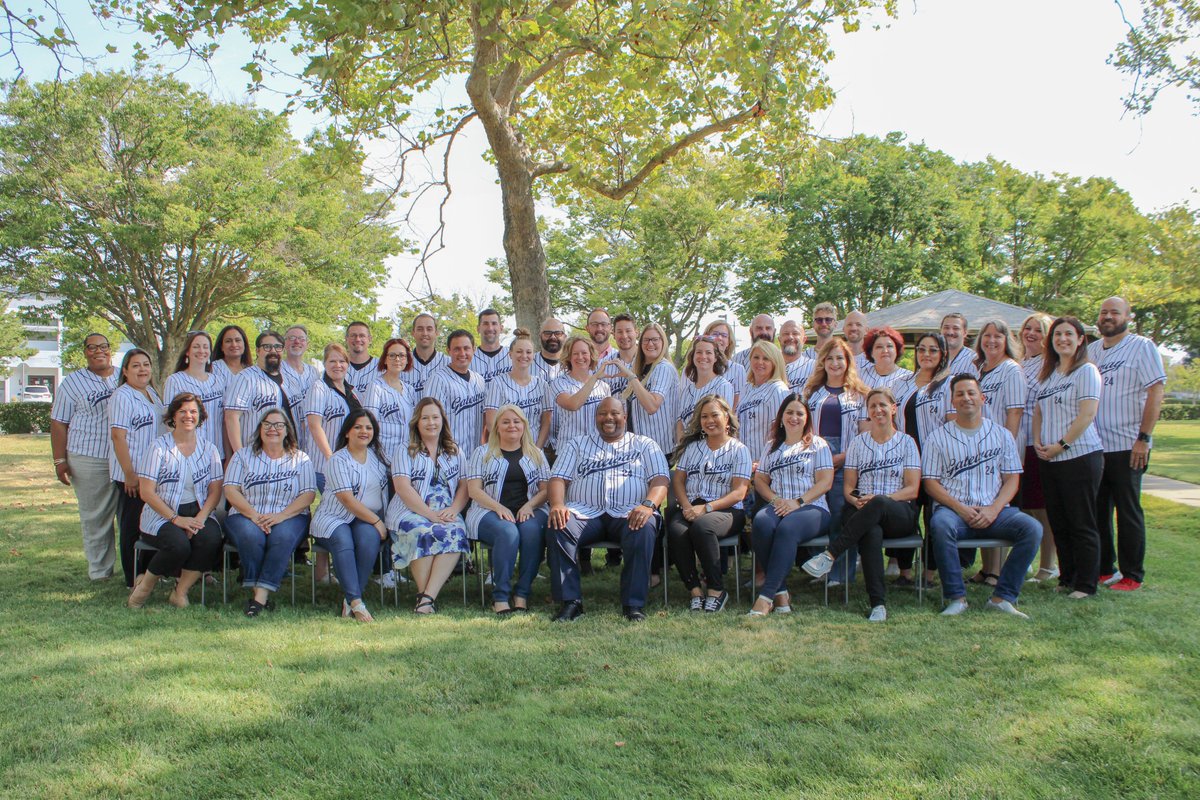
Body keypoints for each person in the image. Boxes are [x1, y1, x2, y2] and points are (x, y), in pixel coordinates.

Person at [923, 375, 1042, 617]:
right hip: (954, 512)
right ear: (952, 401)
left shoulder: (1001, 434)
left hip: (995, 510)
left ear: (982, 398)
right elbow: (931, 483)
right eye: (960, 394)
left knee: (1032, 529)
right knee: (939, 524)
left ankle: (1002, 597)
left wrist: (994, 509)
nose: (966, 398)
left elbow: (1012, 480)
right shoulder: (937, 437)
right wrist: (960, 509)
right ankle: (956, 598)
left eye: (971, 393)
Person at [802, 388, 920, 622]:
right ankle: (878, 604)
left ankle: (831, 554)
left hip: (898, 513)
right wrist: (857, 500)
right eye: (873, 406)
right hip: (862, 511)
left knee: (876, 505)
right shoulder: (858, 444)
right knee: (871, 532)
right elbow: (848, 489)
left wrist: (878, 500)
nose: (878, 410)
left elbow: (912, 489)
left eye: (882, 405)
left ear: (893, 409)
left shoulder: (907, 443)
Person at [548, 396, 669, 622]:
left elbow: (660, 479)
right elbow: (558, 478)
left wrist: (648, 505)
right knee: (559, 525)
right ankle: (570, 602)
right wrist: (557, 504)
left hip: (629, 512)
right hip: (584, 512)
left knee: (644, 527)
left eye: (614, 413)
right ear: (596, 418)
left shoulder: (644, 444)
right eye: (602, 413)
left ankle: (633, 605)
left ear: (625, 416)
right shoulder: (576, 444)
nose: (608, 418)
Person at [1089, 296, 1166, 592]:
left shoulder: (1142, 347)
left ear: (1127, 317)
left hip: (1127, 444)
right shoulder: (1093, 350)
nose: (1108, 317)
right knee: (1098, 510)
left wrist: (1143, 439)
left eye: (1114, 312)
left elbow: (1155, 393)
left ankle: (1132, 573)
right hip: (1096, 446)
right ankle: (1104, 569)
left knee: (1128, 510)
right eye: (1104, 312)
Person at [126, 393, 224, 609]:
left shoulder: (210, 449)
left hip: (198, 510)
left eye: (193, 412)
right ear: (173, 416)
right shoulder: (158, 447)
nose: (188, 416)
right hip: (162, 514)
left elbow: (215, 490)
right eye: (182, 411)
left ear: (200, 416)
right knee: (178, 545)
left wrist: (200, 518)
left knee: (210, 539)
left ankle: (180, 591)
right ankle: (144, 588)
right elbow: (147, 492)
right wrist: (175, 519)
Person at [1033, 316, 1104, 598]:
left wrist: (1061, 444)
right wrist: (1039, 442)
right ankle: (1067, 577)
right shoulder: (1049, 374)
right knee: (1059, 522)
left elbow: (1087, 414)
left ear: (1080, 339)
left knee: (1081, 522)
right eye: (1057, 335)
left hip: (1080, 456)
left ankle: (1086, 583)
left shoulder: (1086, 371)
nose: (1062, 339)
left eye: (1068, 334)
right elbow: (1039, 411)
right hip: (1050, 459)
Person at [222, 409, 317, 617]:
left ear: (287, 431)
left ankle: (259, 596)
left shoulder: (300, 459)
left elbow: (308, 495)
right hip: (246, 514)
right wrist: (254, 515)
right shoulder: (242, 456)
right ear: (259, 429)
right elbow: (230, 489)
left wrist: (281, 516)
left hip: (289, 515)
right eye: (267, 424)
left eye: (278, 425)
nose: (272, 429)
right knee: (251, 535)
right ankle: (261, 592)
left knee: (281, 537)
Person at [749, 394, 834, 616]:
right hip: (779, 504)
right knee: (761, 523)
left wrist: (798, 502)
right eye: (789, 412)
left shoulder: (818, 444)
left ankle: (766, 597)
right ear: (781, 416)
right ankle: (781, 594)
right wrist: (776, 500)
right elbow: (760, 480)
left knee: (787, 529)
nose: (794, 417)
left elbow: (825, 482)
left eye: (799, 413)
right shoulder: (771, 446)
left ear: (807, 418)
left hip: (812, 507)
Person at [668, 396, 752, 612]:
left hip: (727, 510)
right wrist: (686, 506)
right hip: (692, 505)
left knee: (703, 527)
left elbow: (739, 492)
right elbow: (678, 479)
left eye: (715, 415)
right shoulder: (693, 448)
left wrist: (706, 508)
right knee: (676, 530)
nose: (709, 420)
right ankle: (695, 591)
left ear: (727, 417)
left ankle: (716, 590)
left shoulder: (739, 449)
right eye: (704, 416)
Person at [387, 398, 469, 614]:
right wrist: (429, 514)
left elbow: (464, 486)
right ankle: (426, 599)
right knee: (421, 532)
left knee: (456, 532)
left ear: (442, 420)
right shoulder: (405, 450)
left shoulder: (454, 451)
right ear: (417, 422)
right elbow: (402, 488)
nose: (431, 422)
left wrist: (454, 509)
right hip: (411, 509)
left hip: (446, 509)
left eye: (435, 417)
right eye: (425, 418)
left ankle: (426, 598)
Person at [466, 405, 550, 614]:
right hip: (488, 510)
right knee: (508, 531)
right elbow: (474, 491)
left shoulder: (536, 453)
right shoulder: (482, 453)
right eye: (505, 422)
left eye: (516, 421)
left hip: (530, 509)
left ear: (524, 426)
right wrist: (498, 507)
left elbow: (546, 490)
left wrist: (529, 505)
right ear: (497, 428)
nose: (511, 425)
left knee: (531, 531)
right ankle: (500, 596)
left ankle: (522, 593)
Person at [51, 332, 120, 581]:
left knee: (132, 517)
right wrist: (60, 460)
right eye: (92, 347)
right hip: (90, 457)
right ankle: (100, 572)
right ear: (85, 352)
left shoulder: (125, 375)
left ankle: (137, 572)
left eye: (103, 346)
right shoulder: (72, 383)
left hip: (125, 458)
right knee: (96, 518)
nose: (98, 351)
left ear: (110, 349)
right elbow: (59, 422)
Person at [310, 409, 391, 621]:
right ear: (347, 432)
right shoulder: (337, 460)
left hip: (362, 519)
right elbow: (347, 499)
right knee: (343, 539)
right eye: (358, 427)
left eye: (368, 427)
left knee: (369, 538)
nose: (363, 431)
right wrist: (376, 521)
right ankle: (357, 601)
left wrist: (378, 522)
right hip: (334, 517)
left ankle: (350, 601)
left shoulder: (378, 458)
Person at [801, 338, 870, 585]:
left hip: (846, 459)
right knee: (818, 513)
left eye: (840, 357)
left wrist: (842, 457)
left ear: (848, 361)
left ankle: (841, 574)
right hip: (815, 459)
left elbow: (864, 434)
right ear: (823, 362)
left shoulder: (860, 394)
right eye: (829, 358)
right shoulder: (812, 393)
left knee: (842, 515)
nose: (834, 363)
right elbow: (804, 429)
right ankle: (818, 568)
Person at [890, 332, 954, 585]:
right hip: (906, 460)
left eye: (933, 350)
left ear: (943, 355)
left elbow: (951, 424)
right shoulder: (902, 383)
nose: (926, 355)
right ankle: (905, 571)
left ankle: (929, 573)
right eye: (922, 349)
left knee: (934, 518)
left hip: (937, 461)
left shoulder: (949, 383)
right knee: (905, 515)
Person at [968, 318, 1028, 585]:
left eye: (998, 336)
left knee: (999, 505)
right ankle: (986, 568)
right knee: (983, 501)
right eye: (987, 336)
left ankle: (996, 570)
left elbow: (1014, 412)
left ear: (1007, 341)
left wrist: (1007, 449)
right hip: (981, 449)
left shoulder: (1011, 369)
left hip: (1003, 447)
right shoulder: (980, 369)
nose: (991, 341)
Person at [109, 348, 164, 588]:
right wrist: (129, 475)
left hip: (151, 474)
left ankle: (150, 573)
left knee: (150, 524)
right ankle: (133, 578)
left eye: (146, 364)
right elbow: (118, 437)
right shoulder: (122, 395)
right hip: (131, 474)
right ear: (125, 371)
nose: (142, 369)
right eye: (136, 366)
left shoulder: (151, 393)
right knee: (132, 526)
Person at [1018, 312, 1059, 582]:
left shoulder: (1049, 365)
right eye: (1028, 328)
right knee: (1025, 507)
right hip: (1018, 442)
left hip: (1037, 442)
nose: (1031, 333)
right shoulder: (1020, 362)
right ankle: (1029, 562)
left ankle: (1049, 565)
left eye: (1039, 330)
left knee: (1042, 507)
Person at [224, 331, 297, 453]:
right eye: (267, 347)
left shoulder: (291, 378)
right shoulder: (245, 378)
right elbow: (231, 417)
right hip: (255, 453)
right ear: (258, 351)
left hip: (289, 452)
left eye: (278, 347)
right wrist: (239, 454)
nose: (273, 351)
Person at [614, 322, 678, 459]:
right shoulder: (640, 368)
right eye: (646, 340)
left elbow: (652, 406)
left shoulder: (663, 368)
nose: (650, 344)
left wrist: (631, 377)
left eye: (655, 339)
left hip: (658, 449)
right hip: (638, 448)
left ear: (663, 342)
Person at [305, 343, 362, 492]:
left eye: (342, 361)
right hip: (325, 464)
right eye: (332, 361)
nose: (338, 365)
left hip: (350, 463)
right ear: (324, 363)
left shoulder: (353, 392)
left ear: (347, 364)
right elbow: (314, 425)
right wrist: (330, 458)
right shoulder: (319, 387)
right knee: (337, 508)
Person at [484, 329, 552, 448]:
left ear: (533, 355)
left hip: (535, 449)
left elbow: (546, 422)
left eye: (528, 352)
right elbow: (491, 422)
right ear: (510, 354)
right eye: (519, 351)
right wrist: (506, 447)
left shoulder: (542, 384)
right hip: (505, 449)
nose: (524, 356)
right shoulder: (498, 382)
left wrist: (537, 449)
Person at [163, 330, 226, 455]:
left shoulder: (219, 381)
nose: (201, 351)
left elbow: (223, 419)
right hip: (188, 453)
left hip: (217, 452)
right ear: (187, 351)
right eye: (196, 347)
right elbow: (169, 420)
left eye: (205, 347)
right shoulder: (175, 380)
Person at [424, 329, 487, 449]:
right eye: (457, 349)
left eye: (466, 348)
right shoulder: (438, 380)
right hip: (448, 455)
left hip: (476, 453)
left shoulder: (479, 380)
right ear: (448, 351)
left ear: (474, 349)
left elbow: (485, 419)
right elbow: (429, 421)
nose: (462, 353)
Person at [551, 335, 613, 449]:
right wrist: (594, 378)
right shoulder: (559, 383)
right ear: (569, 357)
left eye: (584, 353)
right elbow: (573, 405)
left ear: (591, 355)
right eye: (575, 353)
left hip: (597, 449)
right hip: (569, 449)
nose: (580, 357)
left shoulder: (603, 386)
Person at [736, 340, 791, 459]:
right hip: (743, 461)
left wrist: (764, 461)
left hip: (764, 462)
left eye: (766, 359)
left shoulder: (778, 389)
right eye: (756, 357)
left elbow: (779, 432)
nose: (760, 362)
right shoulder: (746, 388)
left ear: (775, 363)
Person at [675, 335, 734, 443]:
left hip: (712, 450)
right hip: (688, 451)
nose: (703, 356)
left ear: (716, 357)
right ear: (693, 357)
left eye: (708, 352)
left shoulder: (723, 386)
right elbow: (680, 424)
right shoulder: (686, 391)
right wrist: (682, 449)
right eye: (699, 352)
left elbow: (725, 424)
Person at [363, 337, 415, 458]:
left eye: (402, 355)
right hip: (380, 456)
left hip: (404, 457)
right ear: (385, 359)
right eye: (392, 355)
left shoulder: (409, 390)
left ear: (407, 360)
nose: (397, 359)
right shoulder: (375, 387)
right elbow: (368, 424)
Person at [281, 325, 321, 450]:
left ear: (307, 344)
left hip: (311, 438)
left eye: (301, 339)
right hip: (286, 436)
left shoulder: (314, 372)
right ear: (285, 343)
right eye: (292, 338)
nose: (297, 342)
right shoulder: (276, 370)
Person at [404, 313, 450, 397]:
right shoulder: (401, 363)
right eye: (420, 329)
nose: (425, 333)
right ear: (413, 333)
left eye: (429, 329)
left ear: (436, 333)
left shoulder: (449, 363)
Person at [702, 319, 746, 406]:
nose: (719, 338)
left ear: (729, 342)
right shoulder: (695, 369)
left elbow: (738, 403)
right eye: (715, 334)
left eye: (724, 335)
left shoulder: (738, 370)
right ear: (706, 337)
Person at [859, 326, 913, 392]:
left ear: (897, 350)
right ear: (871, 352)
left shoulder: (909, 377)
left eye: (889, 346)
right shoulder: (859, 377)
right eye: (879, 347)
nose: (885, 350)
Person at [600, 313, 639, 396]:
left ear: (636, 332)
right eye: (619, 332)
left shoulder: (648, 362)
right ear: (613, 334)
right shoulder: (603, 365)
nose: (624, 336)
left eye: (628, 331)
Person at [471, 307, 513, 382]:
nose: (490, 328)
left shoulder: (513, 356)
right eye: (485, 324)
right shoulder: (469, 358)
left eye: (494, 323)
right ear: (478, 329)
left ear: (501, 328)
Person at [779, 319, 815, 392]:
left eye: (795, 333)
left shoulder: (815, 367)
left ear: (804, 339)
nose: (790, 337)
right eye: (786, 334)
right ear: (779, 339)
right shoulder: (768, 368)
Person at [344, 321, 378, 395]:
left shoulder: (382, 368)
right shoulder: (335, 367)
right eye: (353, 335)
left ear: (370, 339)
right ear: (346, 339)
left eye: (362, 336)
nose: (358, 339)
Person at [941, 313, 978, 377]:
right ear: (941, 330)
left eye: (956, 328)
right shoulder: (932, 357)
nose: (950, 332)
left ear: (965, 333)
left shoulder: (975, 359)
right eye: (946, 327)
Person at [533, 317, 567, 382]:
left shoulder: (573, 364)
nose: (553, 337)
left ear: (564, 337)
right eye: (547, 333)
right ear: (540, 336)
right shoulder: (526, 363)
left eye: (558, 333)